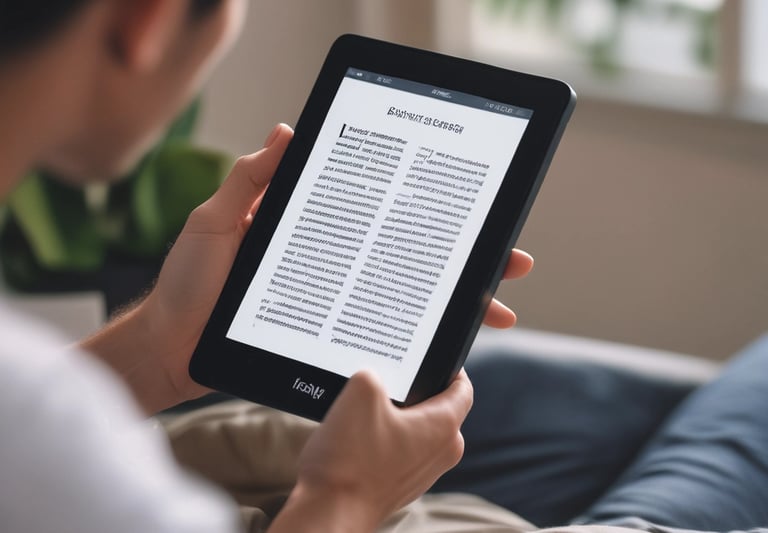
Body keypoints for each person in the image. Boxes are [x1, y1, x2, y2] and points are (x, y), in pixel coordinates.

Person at [2, 2, 768, 533]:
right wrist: (347, 495)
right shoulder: (53, 437)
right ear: (149, 18)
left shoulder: (33, 400)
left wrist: (159, 350)